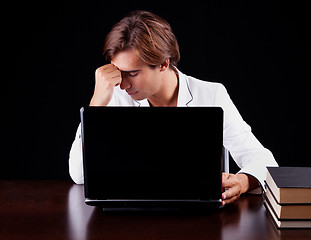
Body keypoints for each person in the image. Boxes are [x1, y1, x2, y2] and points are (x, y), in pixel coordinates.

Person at [69, 10, 278, 206]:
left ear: (163, 64)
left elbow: (263, 160)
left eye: (132, 74)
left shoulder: (211, 94)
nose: (123, 85)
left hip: (199, 217)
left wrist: (241, 182)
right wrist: (96, 104)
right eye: (119, 73)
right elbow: (78, 175)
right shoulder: (113, 96)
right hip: (131, 215)